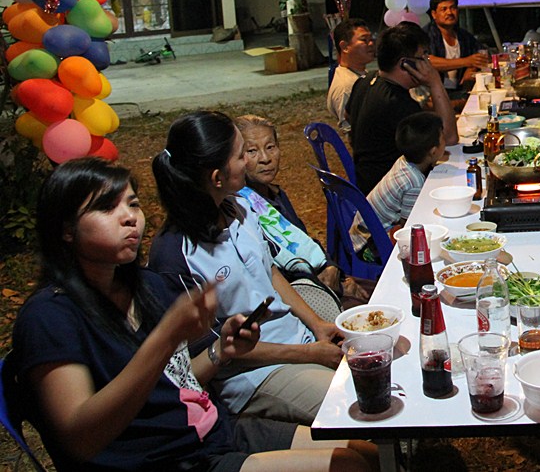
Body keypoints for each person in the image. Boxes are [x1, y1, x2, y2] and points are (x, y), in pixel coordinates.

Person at [3, 157, 377, 471]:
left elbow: (175, 382)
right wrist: (165, 338)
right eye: (106, 208)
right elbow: (80, 439)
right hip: (162, 458)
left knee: (369, 451)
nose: (130, 218)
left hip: (211, 432)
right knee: (348, 466)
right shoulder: (49, 317)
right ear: (66, 230)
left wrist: (221, 351)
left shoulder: (145, 287)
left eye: (133, 204)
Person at [148, 111, 345, 425]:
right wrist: (309, 354)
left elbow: (269, 272)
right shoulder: (175, 255)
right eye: (242, 155)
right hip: (255, 375)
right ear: (217, 177)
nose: (252, 162)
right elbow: (218, 350)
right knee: (350, 403)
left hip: (301, 340)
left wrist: (317, 324)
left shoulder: (239, 207)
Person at [235, 114, 370, 304]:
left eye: (270, 147)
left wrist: (331, 267)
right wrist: (337, 283)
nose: (265, 159)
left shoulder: (276, 195)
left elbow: (303, 241)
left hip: (321, 280)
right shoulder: (242, 209)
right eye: (251, 151)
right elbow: (279, 272)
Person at [347, 23, 458, 194]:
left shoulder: (364, 81)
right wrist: (435, 82)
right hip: (392, 190)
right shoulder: (397, 102)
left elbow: (348, 115)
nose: (428, 64)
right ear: (405, 64)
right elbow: (449, 138)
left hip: (366, 179)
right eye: (423, 57)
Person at [350, 111, 447, 262]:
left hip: (361, 232)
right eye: (443, 138)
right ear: (433, 151)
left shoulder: (404, 161)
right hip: (370, 244)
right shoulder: (413, 182)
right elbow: (410, 225)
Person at [423, 0, 489, 96]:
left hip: (460, 91)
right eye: (444, 9)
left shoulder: (463, 35)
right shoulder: (425, 35)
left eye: (453, 8)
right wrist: (466, 62)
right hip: (433, 93)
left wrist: (471, 68)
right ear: (434, 14)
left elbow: (482, 53)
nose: (449, 12)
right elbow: (427, 61)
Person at [326, 18, 375, 135]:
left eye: (371, 39)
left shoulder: (359, 74)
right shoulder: (346, 87)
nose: (371, 44)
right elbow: (352, 132)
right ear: (345, 47)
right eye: (364, 40)